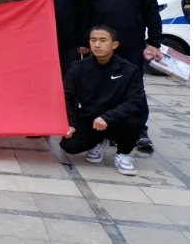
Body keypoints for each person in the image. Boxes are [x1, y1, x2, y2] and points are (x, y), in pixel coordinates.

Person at [84, 0, 162, 153]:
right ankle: (104, 129)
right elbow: (84, 14)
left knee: (134, 88)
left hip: (131, 44)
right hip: (99, 46)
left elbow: (151, 11)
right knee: (100, 88)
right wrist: (85, 42)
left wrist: (154, 42)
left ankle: (139, 130)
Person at [59, 26, 145, 176]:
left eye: (103, 40)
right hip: (90, 117)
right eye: (93, 40)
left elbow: (135, 101)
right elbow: (68, 97)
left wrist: (108, 117)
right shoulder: (78, 67)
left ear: (114, 44)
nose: (97, 45)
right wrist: (70, 123)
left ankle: (123, 153)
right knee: (69, 146)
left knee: (135, 121)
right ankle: (99, 141)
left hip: (117, 119)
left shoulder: (129, 70)